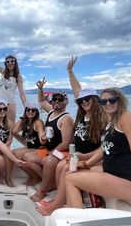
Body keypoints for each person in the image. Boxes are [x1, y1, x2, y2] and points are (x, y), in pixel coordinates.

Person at [65, 87, 131, 208]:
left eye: (112, 100)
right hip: (114, 174)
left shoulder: (127, 117)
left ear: (120, 100)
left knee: (70, 179)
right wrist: (85, 162)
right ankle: (81, 205)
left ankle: (78, 221)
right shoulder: (112, 122)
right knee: (73, 170)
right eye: (103, 101)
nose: (108, 103)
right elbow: (104, 148)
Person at [37, 56, 107, 215]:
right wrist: (69, 71)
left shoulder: (100, 117)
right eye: (81, 100)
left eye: (88, 99)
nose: (84, 102)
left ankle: (55, 204)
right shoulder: (82, 116)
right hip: (76, 155)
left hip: (88, 157)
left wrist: (84, 159)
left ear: (96, 100)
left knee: (62, 166)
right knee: (61, 166)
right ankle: (60, 199)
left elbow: (77, 91)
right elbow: (77, 93)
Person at [29, 79, 74, 202]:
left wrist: (51, 153)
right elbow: (41, 101)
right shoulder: (51, 111)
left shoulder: (66, 119)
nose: (57, 102)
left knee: (48, 160)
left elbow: (66, 143)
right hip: (50, 149)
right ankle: (50, 183)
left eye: (60, 100)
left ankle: (42, 191)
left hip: (63, 152)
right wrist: (40, 89)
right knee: (29, 157)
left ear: (66, 102)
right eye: (54, 99)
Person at [12, 103, 47, 187]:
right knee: (12, 153)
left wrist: (43, 137)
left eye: (33, 110)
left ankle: (39, 178)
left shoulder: (38, 122)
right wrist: (22, 118)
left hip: (41, 150)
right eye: (28, 110)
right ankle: (33, 177)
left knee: (19, 155)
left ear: (36, 112)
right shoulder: (26, 123)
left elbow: (41, 135)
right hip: (32, 148)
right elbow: (14, 132)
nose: (30, 112)